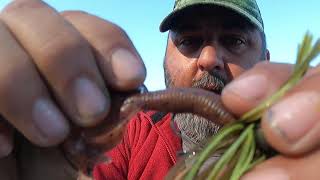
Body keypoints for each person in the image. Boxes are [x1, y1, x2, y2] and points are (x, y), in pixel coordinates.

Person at [0, 0, 319, 179]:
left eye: (235, 41)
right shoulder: (128, 133)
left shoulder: (298, 143)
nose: (208, 59)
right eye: (189, 42)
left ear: (265, 60)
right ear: (164, 59)